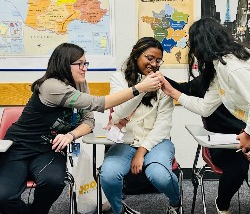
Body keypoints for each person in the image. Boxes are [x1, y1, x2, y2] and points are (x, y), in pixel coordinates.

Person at [0, 43, 161, 214]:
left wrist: (70, 135)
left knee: (54, 182)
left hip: (49, 149)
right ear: (64, 64)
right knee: (4, 197)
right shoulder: (51, 86)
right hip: (19, 147)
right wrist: (139, 88)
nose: (85, 68)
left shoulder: (80, 84)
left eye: (86, 63)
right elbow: (98, 104)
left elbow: (89, 121)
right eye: (80, 64)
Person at [159, 17, 250, 213]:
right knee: (238, 166)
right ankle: (222, 206)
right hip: (232, 137)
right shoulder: (219, 68)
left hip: (243, 132)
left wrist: (248, 134)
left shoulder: (233, 68)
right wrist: (173, 92)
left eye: (192, 43)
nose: (192, 50)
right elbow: (206, 107)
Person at [100, 37, 181, 214]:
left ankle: (175, 202)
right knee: (108, 175)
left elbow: (163, 125)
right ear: (136, 54)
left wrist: (141, 151)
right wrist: (141, 88)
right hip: (126, 140)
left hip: (157, 141)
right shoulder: (119, 79)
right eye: (149, 58)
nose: (154, 63)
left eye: (158, 60)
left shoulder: (163, 84)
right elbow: (119, 112)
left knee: (159, 174)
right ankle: (119, 210)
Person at [165, 75, 249, 214]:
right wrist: (159, 77)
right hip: (222, 142)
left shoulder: (243, 77)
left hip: (248, 135)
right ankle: (222, 205)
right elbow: (183, 89)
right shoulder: (209, 80)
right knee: (237, 167)